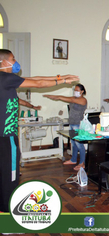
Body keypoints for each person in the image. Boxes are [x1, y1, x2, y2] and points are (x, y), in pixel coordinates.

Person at [0, 49, 79, 212]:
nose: (15, 62)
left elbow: (35, 79)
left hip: (2, 136)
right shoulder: (6, 78)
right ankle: (7, 216)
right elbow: (38, 83)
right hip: (7, 137)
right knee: (10, 176)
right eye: (13, 59)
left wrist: (60, 77)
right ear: (3, 62)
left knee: (4, 174)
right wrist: (63, 81)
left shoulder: (5, 80)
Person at [43, 84, 87, 171]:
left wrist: (57, 97)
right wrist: (54, 97)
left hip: (78, 125)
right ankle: (73, 160)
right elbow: (67, 99)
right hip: (72, 123)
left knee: (79, 144)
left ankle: (82, 163)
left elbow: (66, 98)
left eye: (77, 90)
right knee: (73, 143)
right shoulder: (74, 98)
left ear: (82, 91)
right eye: (75, 90)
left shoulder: (83, 100)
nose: (75, 91)